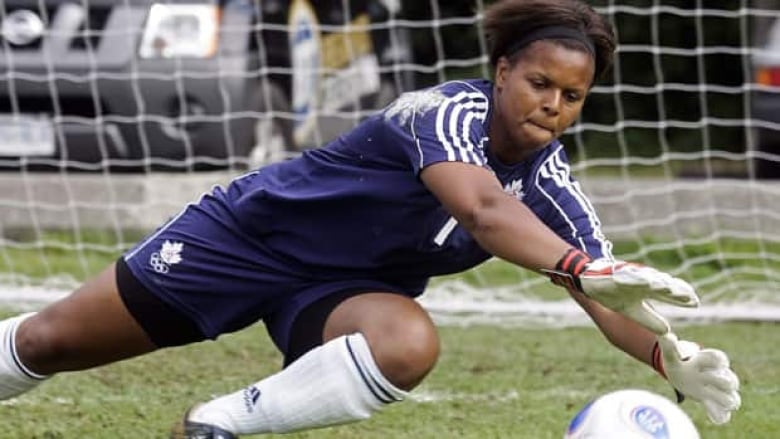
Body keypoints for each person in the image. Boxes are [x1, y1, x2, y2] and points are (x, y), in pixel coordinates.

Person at [0, 0, 740, 437]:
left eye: (572, 95)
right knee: (46, 340)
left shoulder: (553, 183)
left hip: (335, 293)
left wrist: (662, 353)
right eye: (540, 81)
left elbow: (602, 292)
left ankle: (214, 423)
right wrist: (579, 265)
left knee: (406, 341)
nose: (552, 103)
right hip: (244, 241)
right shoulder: (442, 113)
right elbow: (482, 208)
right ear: (504, 68)